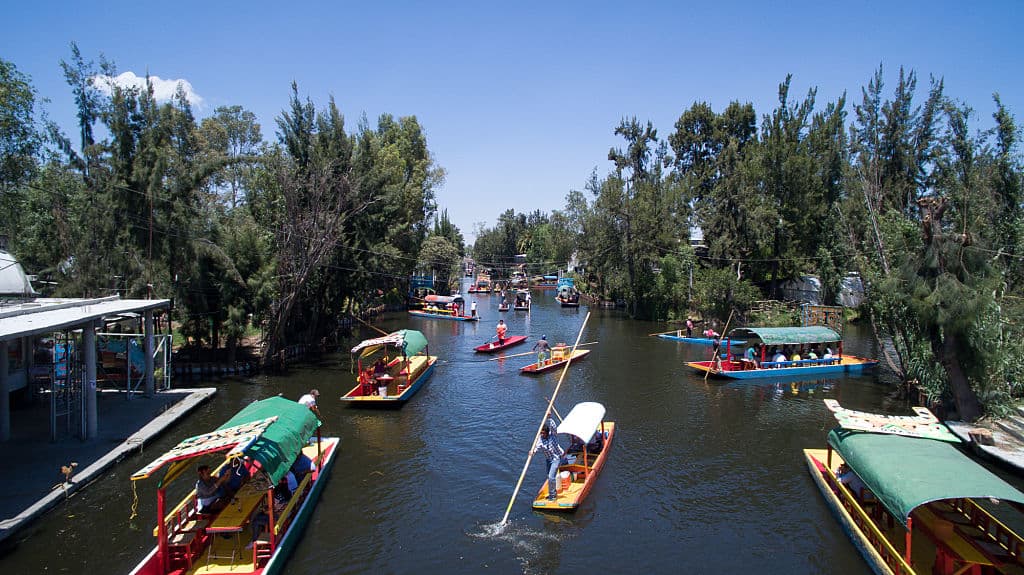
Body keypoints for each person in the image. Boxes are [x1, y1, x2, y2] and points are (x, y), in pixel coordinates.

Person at [534, 420, 565, 501]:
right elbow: (536, 447)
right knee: (549, 477)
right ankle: (552, 494)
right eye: (541, 433)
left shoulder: (552, 435)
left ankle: (553, 496)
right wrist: (532, 452)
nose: (542, 434)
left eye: (544, 433)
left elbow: (554, 427)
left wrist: (550, 418)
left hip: (556, 458)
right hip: (548, 460)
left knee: (551, 477)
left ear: (547, 433)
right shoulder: (540, 439)